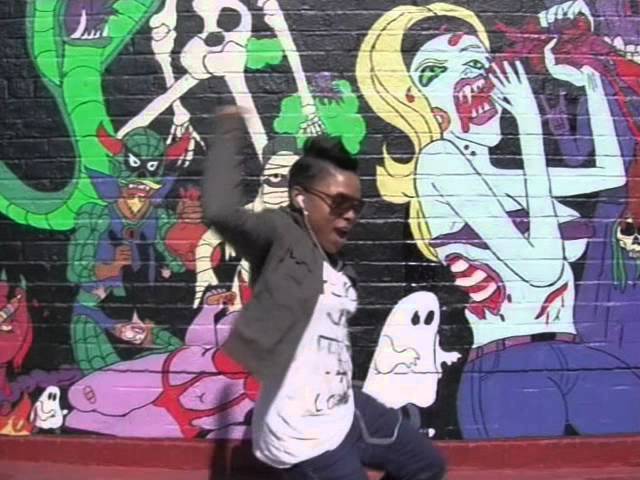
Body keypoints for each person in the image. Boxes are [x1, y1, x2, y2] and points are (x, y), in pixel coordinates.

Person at [357, 2, 640, 439]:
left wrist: (589, 80)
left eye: (474, 62)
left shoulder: (499, 175)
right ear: (413, 97)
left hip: (573, 355)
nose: (465, 77)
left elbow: (610, 173)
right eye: (435, 71)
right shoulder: (439, 163)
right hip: (508, 367)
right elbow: (542, 270)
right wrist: (529, 129)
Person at [201, 106, 446, 480]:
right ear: (301, 198)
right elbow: (220, 211)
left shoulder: (337, 262)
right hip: (302, 437)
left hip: (345, 411)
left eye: (356, 207)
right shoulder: (280, 238)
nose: (350, 216)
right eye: (339, 203)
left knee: (426, 466)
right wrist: (228, 130)